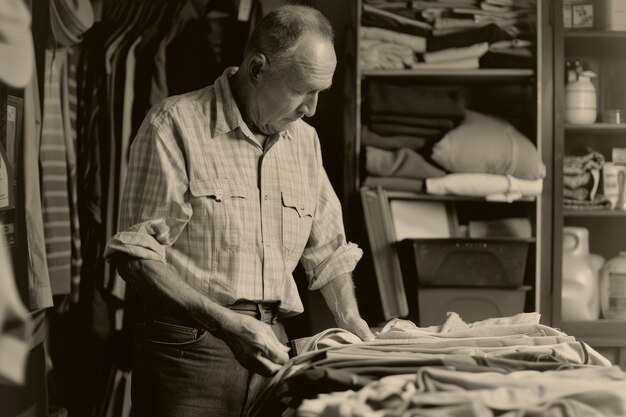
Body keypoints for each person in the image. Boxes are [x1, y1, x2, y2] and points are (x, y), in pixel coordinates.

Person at [105, 4, 374, 417]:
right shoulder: (174, 125)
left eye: (322, 92)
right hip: (189, 351)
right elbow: (136, 258)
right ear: (256, 69)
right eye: (302, 90)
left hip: (275, 350)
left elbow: (329, 250)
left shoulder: (304, 142)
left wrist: (351, 321)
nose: (312, 108)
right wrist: (227, 326)